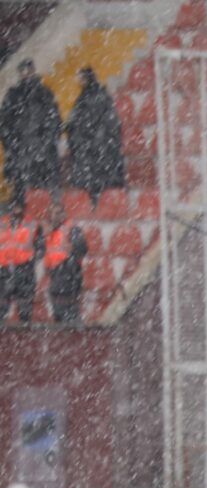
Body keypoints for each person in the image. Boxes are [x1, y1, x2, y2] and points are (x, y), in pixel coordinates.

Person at [0, 60, 62, 201]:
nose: (26, 74)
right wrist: (14, 144)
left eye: (28, 70)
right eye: (23, 71)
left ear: (33, 71)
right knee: (21, 195)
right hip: (20, 154)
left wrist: (44, 143)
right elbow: (4, 124)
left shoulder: (45, 94)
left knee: (44, 196)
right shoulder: (13, 95)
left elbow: (54, 122)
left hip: (42, 155)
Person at [66, 67, 126, 203]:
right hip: (96, 154)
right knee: (97, 191)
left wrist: (87, 142)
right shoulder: (90, 98)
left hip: (96, 154)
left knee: (96, 191)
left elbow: (107, 125)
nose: (79, 81)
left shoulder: (90, 99)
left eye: (81, 78)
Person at [44, 200, 89, 324]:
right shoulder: (50, 233)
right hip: (56, 279)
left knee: (70, 317)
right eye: (53, 213)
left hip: (68, 277)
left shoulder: (71, 229)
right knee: (60, 317)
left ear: (64, 214)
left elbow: (83, 248)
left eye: (58, 213)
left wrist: (70, 265)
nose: (55, 216)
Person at [0, 200, 42, 325]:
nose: (16, 210)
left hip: (24, 268)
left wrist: (31, 260)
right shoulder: (2, 223)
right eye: (14, 206)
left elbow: (41, 247)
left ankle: (24, 327)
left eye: (19, 206)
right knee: (1, 306)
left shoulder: (32, 224)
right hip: (3, 269)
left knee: (25, 307)